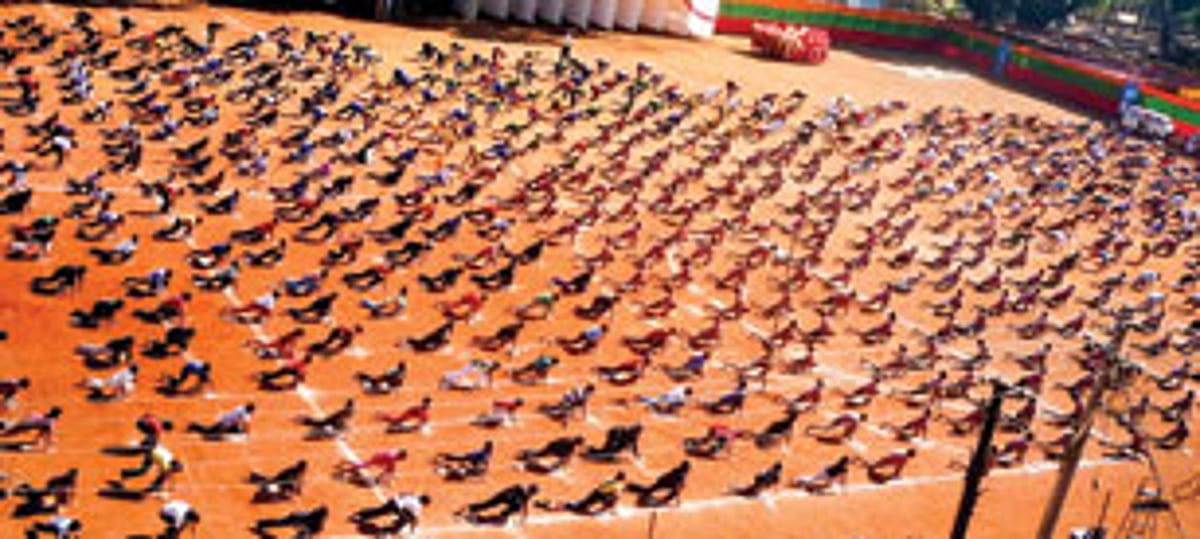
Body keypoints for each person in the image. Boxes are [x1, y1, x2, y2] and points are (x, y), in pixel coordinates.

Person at [538, 472, 625, 515]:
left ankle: (548, 504)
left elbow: (602, 488)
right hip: (600, 495)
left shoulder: (609, 479)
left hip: (595, 492)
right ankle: (548, 505)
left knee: (582, 504)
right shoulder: (618, 485)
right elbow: (616, 496)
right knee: (575, 507)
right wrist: (611, 506)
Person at [455, 483, 539, 526]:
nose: (531, 494)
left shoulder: (526, 495)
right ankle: (465, 509)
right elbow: (508, 493)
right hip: (503, 496)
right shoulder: (520, 488)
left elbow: (524, 505)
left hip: (508, 499)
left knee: (516, 506)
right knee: (486, 505)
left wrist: (524, 517)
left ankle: (503, 515)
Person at [351, 493, 429, 534]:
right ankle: (387, 530)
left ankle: (360, 515)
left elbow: (401, 494)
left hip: (393, 501)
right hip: (396, 506)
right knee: (406, 519)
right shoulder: (418, 505)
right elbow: (414, 519)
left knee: (379, 511)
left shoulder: (414, 495)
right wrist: (413, 529)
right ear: (424, 502)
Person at [187, 403, 255, 439]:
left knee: (237, 429)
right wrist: (247, 434)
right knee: (209, 431)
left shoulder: (240, 407)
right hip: (225, 423)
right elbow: (246, 425)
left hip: (225, 419)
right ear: (250, 410)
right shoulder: (246, 415)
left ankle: (233, 429)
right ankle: (194, 426)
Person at [252, 505, 327, 537]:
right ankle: (261, 523)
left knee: (302, 534)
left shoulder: (317, 520)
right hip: (295, 519)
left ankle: (261, 523)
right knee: (280, 523)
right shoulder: (309, 515)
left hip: (302, 524)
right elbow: (296, 514)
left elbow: (315, 531)